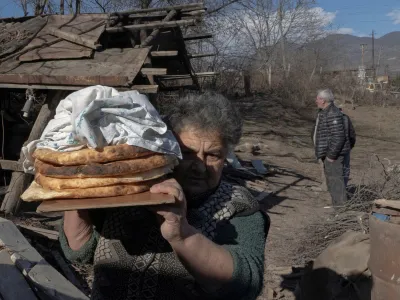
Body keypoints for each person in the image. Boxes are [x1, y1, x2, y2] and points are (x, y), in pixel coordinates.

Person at [59, 92, 269, 300]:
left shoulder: (238, 205)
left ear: (226, 157)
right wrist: (78, 185)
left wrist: (181, 233)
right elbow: (80, 251)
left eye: (212, 155)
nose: (198, 166)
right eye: (186, 152)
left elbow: (245, 284)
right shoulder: (132, 187)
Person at [313, 89, 351, 207]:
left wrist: (331, 156)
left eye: (318, 98)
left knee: (337, 186)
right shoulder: (325, 112)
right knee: (333, 185)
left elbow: (339, 137)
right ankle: (338, 211)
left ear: (323, 101)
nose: (316, 101)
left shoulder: (332, 113)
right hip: (328, 154)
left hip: (334, 157)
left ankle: (341, 213)